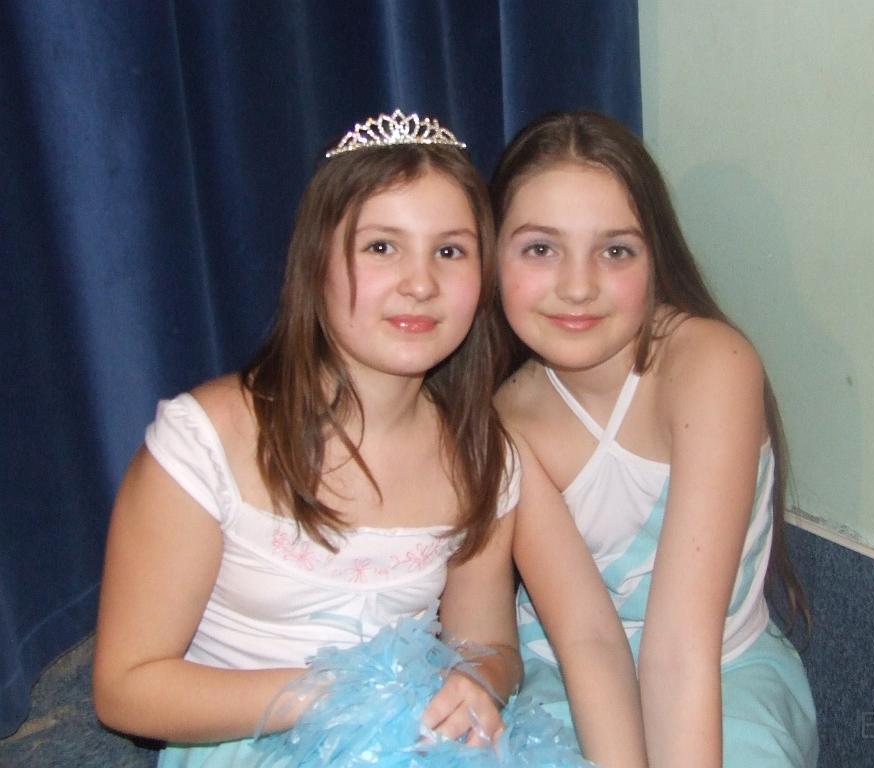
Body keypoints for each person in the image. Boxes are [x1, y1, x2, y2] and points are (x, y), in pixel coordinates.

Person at [93, 110, 644, 767]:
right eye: (382, 247)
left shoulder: (482, 457)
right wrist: (338, 696)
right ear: (317, 264)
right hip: (249, 744)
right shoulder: (207, 444)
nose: (421, 283)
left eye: (450, 251)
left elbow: (489, 647)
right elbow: (126, 690)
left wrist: (475, 684)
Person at [491, 110, 819, 767]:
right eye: (540, 248)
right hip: (563, 673)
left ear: (654, 256)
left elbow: (680, 647)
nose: (578, 286)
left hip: (720, 668)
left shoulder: (711, 365)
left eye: (615, 250)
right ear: (493, 255)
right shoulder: (504, 418)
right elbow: (587, 641)